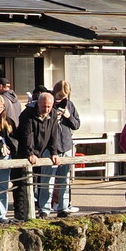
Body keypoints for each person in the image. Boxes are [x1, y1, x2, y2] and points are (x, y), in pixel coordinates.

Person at [18, 89, 72, 218]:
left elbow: (54, 134)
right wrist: (30, 152)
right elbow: (27, 134)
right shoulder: (28, 114)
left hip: (50, 146)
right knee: (43, 180)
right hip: (29, 147)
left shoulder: (53, 113)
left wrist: (54, 151)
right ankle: (43, 208)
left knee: (63, 179)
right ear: (38, 104)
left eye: (49, 106)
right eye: (44, 106)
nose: (46, 109)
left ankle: (62, 208)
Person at [50, 80, 81, 214]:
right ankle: (46, 207)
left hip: (66, 144)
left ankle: (63, 206)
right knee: (48, 179)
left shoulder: (70, 105)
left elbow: (77, 124)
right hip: (51, 146)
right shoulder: (48, 103)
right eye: (59, 96)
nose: (62, 99)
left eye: (65, 96)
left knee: (65, 179)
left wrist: (68, 116)